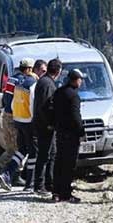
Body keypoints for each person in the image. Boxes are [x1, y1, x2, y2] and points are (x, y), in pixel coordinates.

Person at [0, 59, 36, 191]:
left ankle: (10, 175)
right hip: (16, 117)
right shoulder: (23, 82)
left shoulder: (12, 80)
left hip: (10, 115)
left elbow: (6, 98)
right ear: (28, 69)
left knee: (17, 149)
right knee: (14, 149)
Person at [52, 69, 86, 203]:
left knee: (59, 162)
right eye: (80, 79)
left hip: (60, 133)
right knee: (69, 165)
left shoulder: (58, 92)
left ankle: (56, 192)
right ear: (76, 80)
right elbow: (75, 117)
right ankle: (66, 193)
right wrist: (81, 132)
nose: (81, 82)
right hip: (71, 135)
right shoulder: (74, 96)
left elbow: (51, 110)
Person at [32, 59, 62, 196]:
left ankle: (50, 183)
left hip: (44, 124)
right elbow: (46, 106)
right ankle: (39, 185)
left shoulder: (44, 81)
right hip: (45, 126)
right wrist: (50, 123)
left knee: (52, 154)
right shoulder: (48, 84)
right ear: (58, 71)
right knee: (44, 155)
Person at [10, 58, 39, 191]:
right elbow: (33, 102)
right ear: (29, 69)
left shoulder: (16, 82)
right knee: (33, 152)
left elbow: (12, 102)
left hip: (18, 119)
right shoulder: (32, 83)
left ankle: (7, 172)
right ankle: (29, 182)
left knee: (22, 150)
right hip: (28, 120)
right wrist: (35, 119)